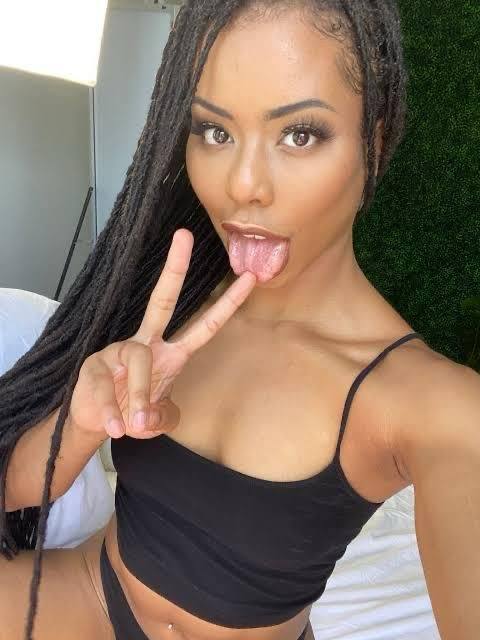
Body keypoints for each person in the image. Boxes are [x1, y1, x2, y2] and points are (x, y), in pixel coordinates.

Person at [1, 1, 479, 639]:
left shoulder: (430, 403)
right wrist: (83, 420)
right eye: (215, 132)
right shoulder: (166, 299)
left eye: (299, 134)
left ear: (375, 138)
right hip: (91, 593)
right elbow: (14, 494)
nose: (243, 185)